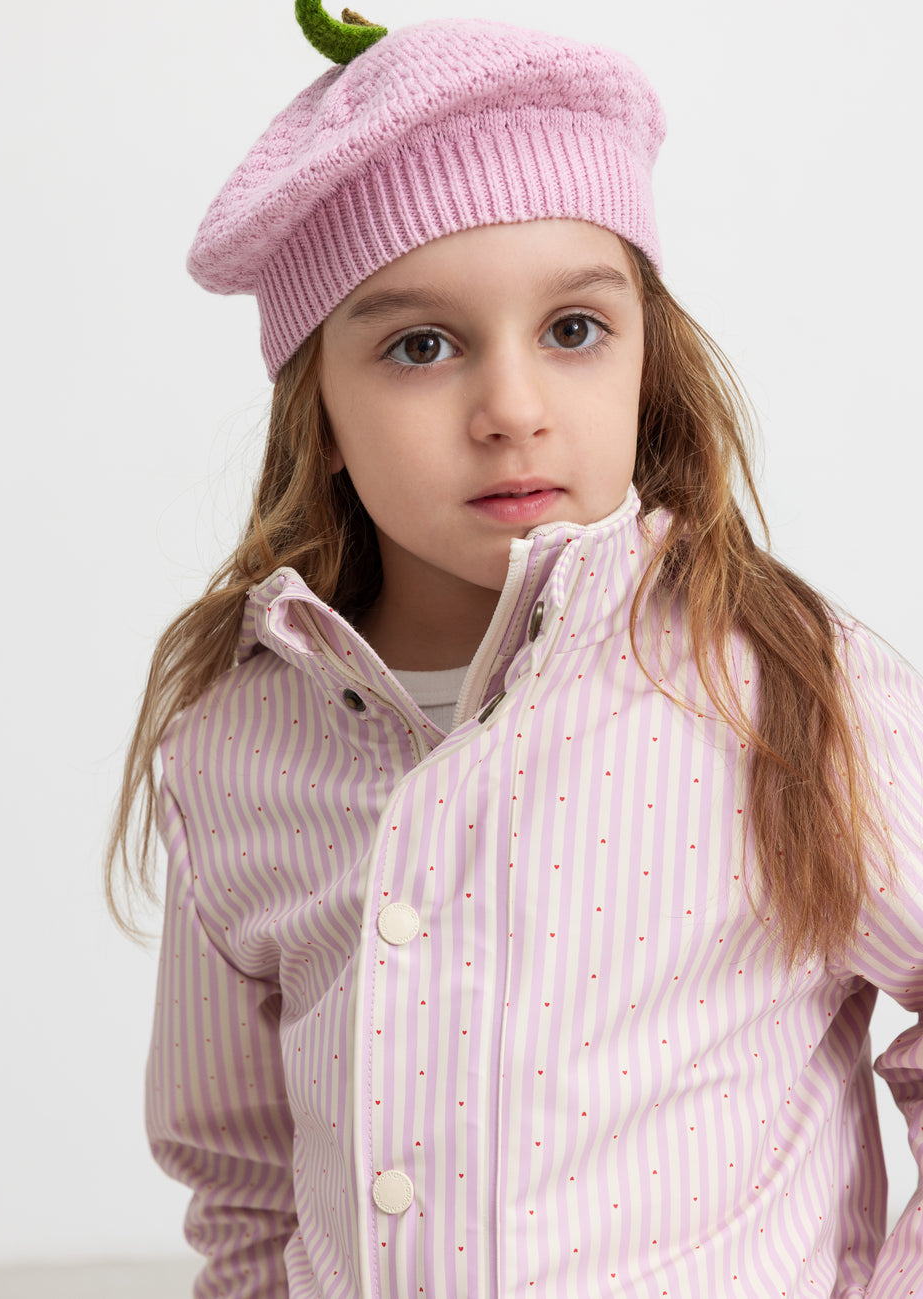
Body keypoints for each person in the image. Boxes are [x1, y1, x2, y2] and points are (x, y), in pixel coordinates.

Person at [107, 6, 923, 1296]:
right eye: (419, 347)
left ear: (646, 362)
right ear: (319, 410)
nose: (512, 410)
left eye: (573, 330)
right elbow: (242, 1176)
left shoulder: (779, 684)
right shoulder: (233, 746)